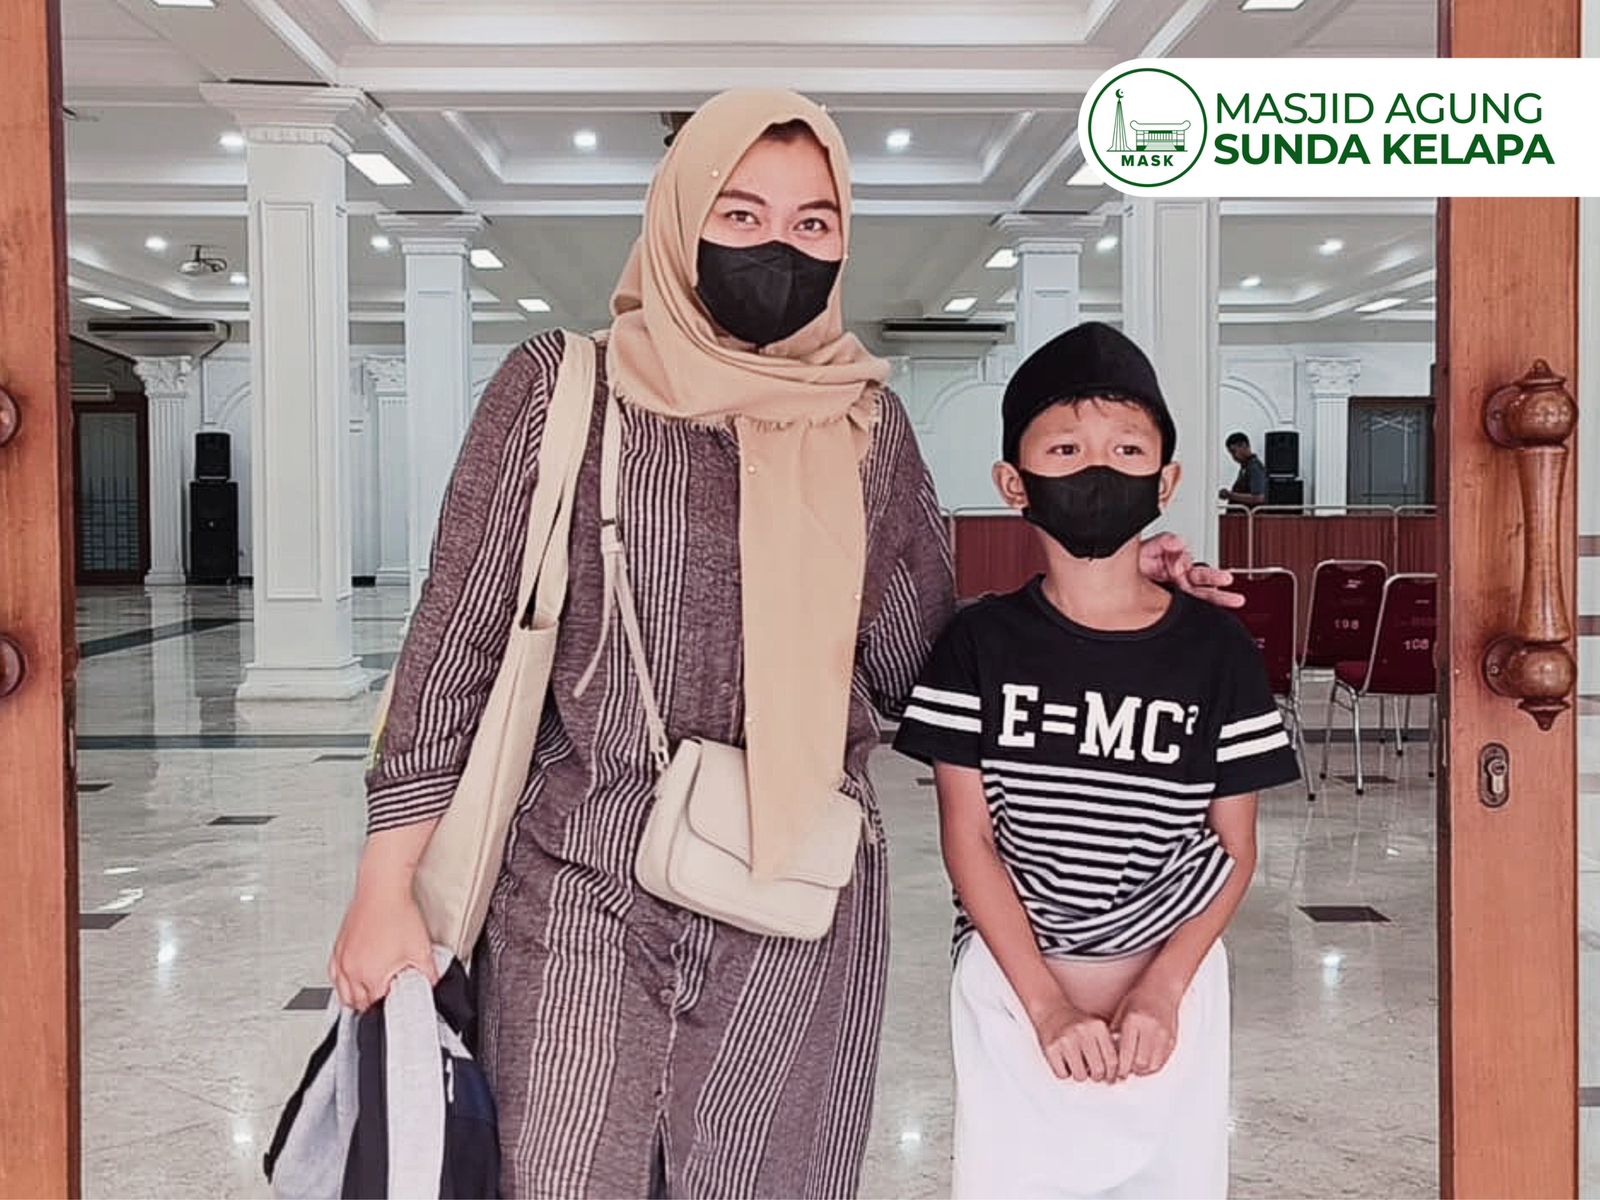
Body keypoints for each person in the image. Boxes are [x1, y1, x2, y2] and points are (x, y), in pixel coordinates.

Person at [329, 92, 1237, 1199]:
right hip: (578, 883)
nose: (779, 247)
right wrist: (385, 885)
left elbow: (921, 664)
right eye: (742, 213)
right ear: (681, 220)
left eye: (813, 222)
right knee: (560, 1168)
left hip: (798, 900)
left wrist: (1107, 593)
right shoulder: (565, 391)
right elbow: (453, 649)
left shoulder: (865, 426)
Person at [895, 322, 1300, 1200]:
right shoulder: (978, 644)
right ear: (1014, 482)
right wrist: (1045, 1005)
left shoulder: (1217, 651)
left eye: (1126, 450)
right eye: (1065, 450)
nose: (1097, 470)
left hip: (1174, 993)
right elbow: (970, 839)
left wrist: (1164, 989)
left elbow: (1235, 848)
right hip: (1016, 991)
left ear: (1166, 481)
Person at [1219, 430, 1268, 507]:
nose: (1233, 456)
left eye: (1234, 451)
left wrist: (1230, 495)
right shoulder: (1245, 468)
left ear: (1244, 445)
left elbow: (1259, 497)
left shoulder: (1254, 467)